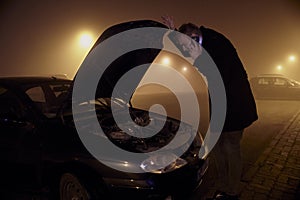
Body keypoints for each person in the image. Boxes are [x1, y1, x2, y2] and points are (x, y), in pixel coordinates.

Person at [162, 17, 258, 200]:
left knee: (231, 147)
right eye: (186, 46)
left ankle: (232, 191)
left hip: (235, 103)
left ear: (198, 33)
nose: (190, 48)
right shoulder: (200, 45)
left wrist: (196, 54)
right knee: (216, 147)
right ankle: (223, 186)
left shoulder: (216, 43)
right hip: (220, 102)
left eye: (193, 41)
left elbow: (219, 72)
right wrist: (173, 33)